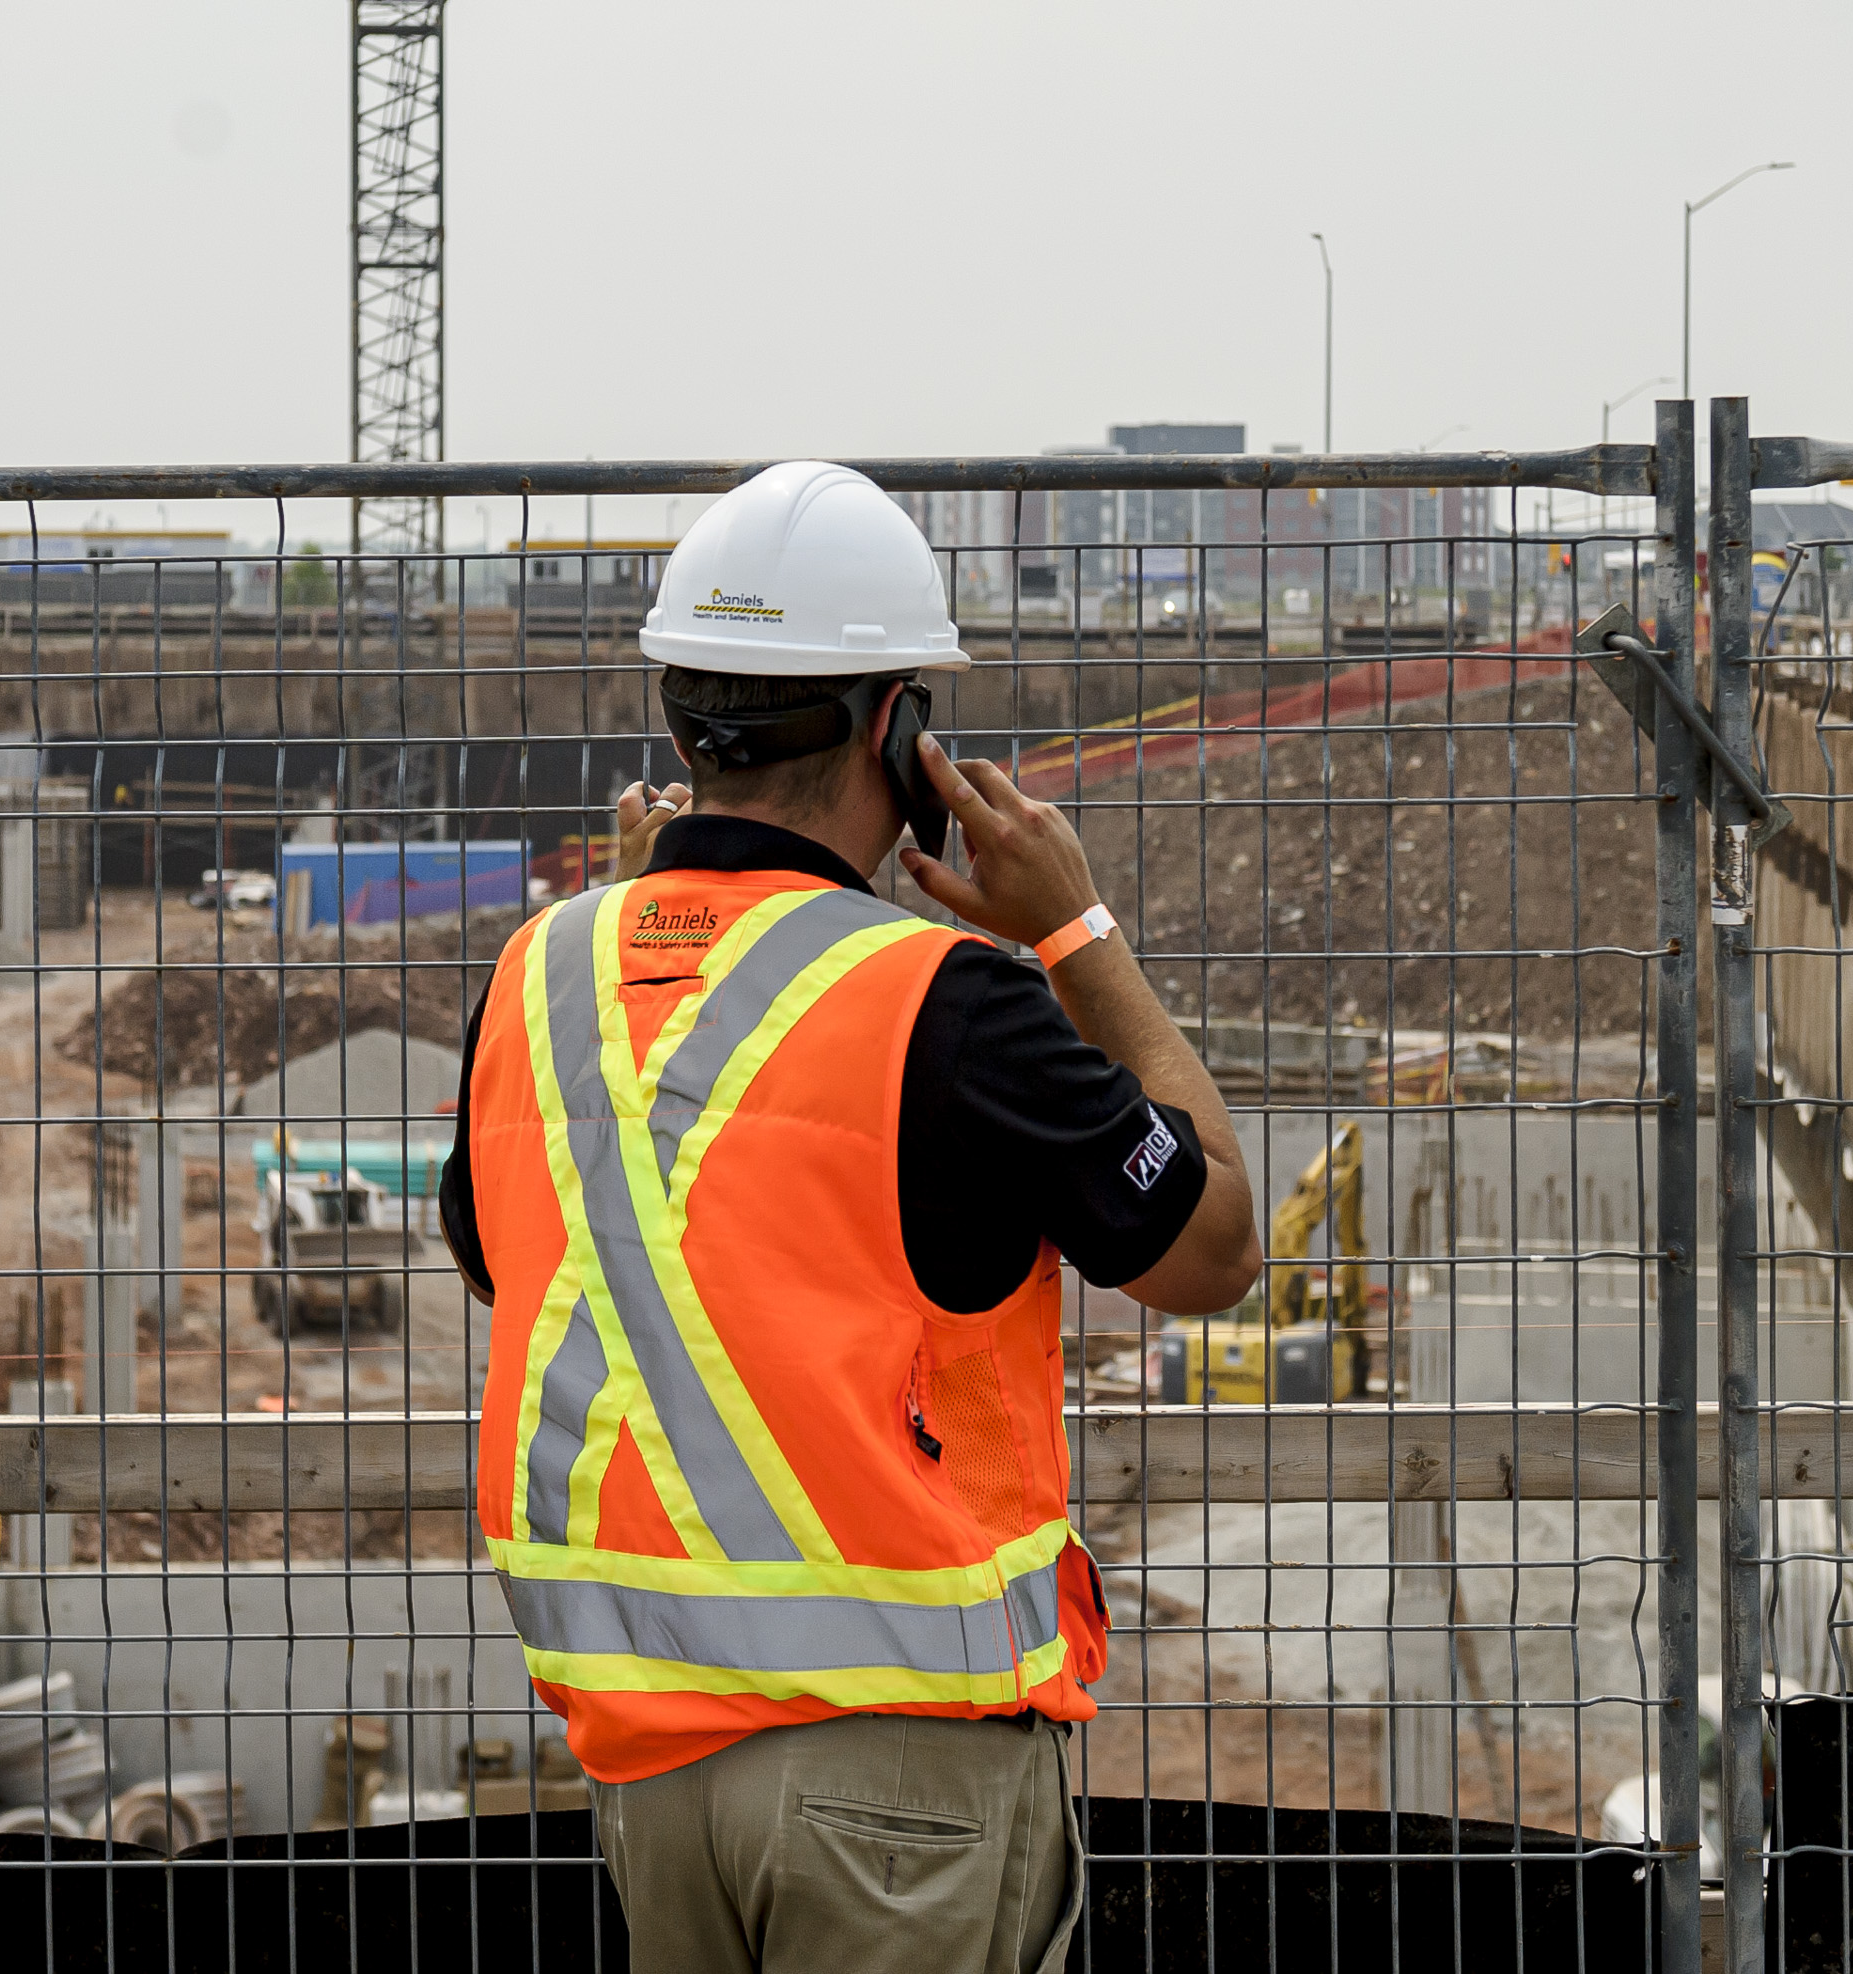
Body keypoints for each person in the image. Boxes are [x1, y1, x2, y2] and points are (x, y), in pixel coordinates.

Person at [441, 460, 1259, 1974]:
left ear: (685, 716)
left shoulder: (538, 980)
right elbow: (1214, 1245)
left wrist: (637, 928)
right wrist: (1076, 935)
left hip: (651, 1780)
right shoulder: (948, 1004)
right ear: (902, 727)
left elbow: (533, 1250)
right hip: (904, 1798)